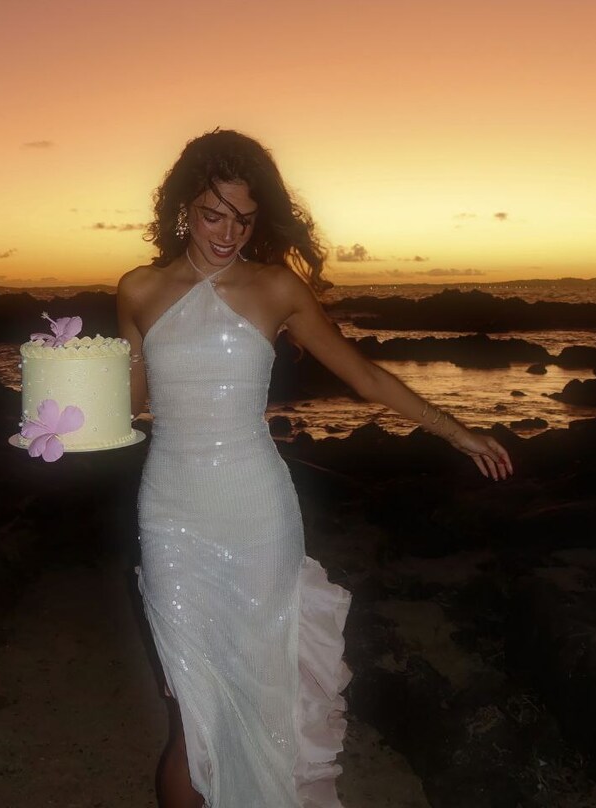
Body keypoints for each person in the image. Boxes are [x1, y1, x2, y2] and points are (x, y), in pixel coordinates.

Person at [117, 129, 513, 808]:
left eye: (244, 220)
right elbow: (127, 406)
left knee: (262, 688)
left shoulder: (275, 287)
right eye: (214, 215)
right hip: (170, 510)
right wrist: (57, 416)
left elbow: (363, 376)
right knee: (192, 706)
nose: (229, 234)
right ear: (184, 207)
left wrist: (456, 430)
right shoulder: (138, 290)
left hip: (256, 509)